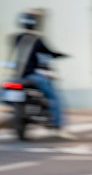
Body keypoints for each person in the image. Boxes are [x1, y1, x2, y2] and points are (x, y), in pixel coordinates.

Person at [10, 11, 71, 139]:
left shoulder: (16, 38)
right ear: (35, 25)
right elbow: (49, 53)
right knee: (55, 97)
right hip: (32, 75)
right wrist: (61, 55)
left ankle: (16, 114)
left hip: (18, 76)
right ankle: (58, 126)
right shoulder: (37, 40)